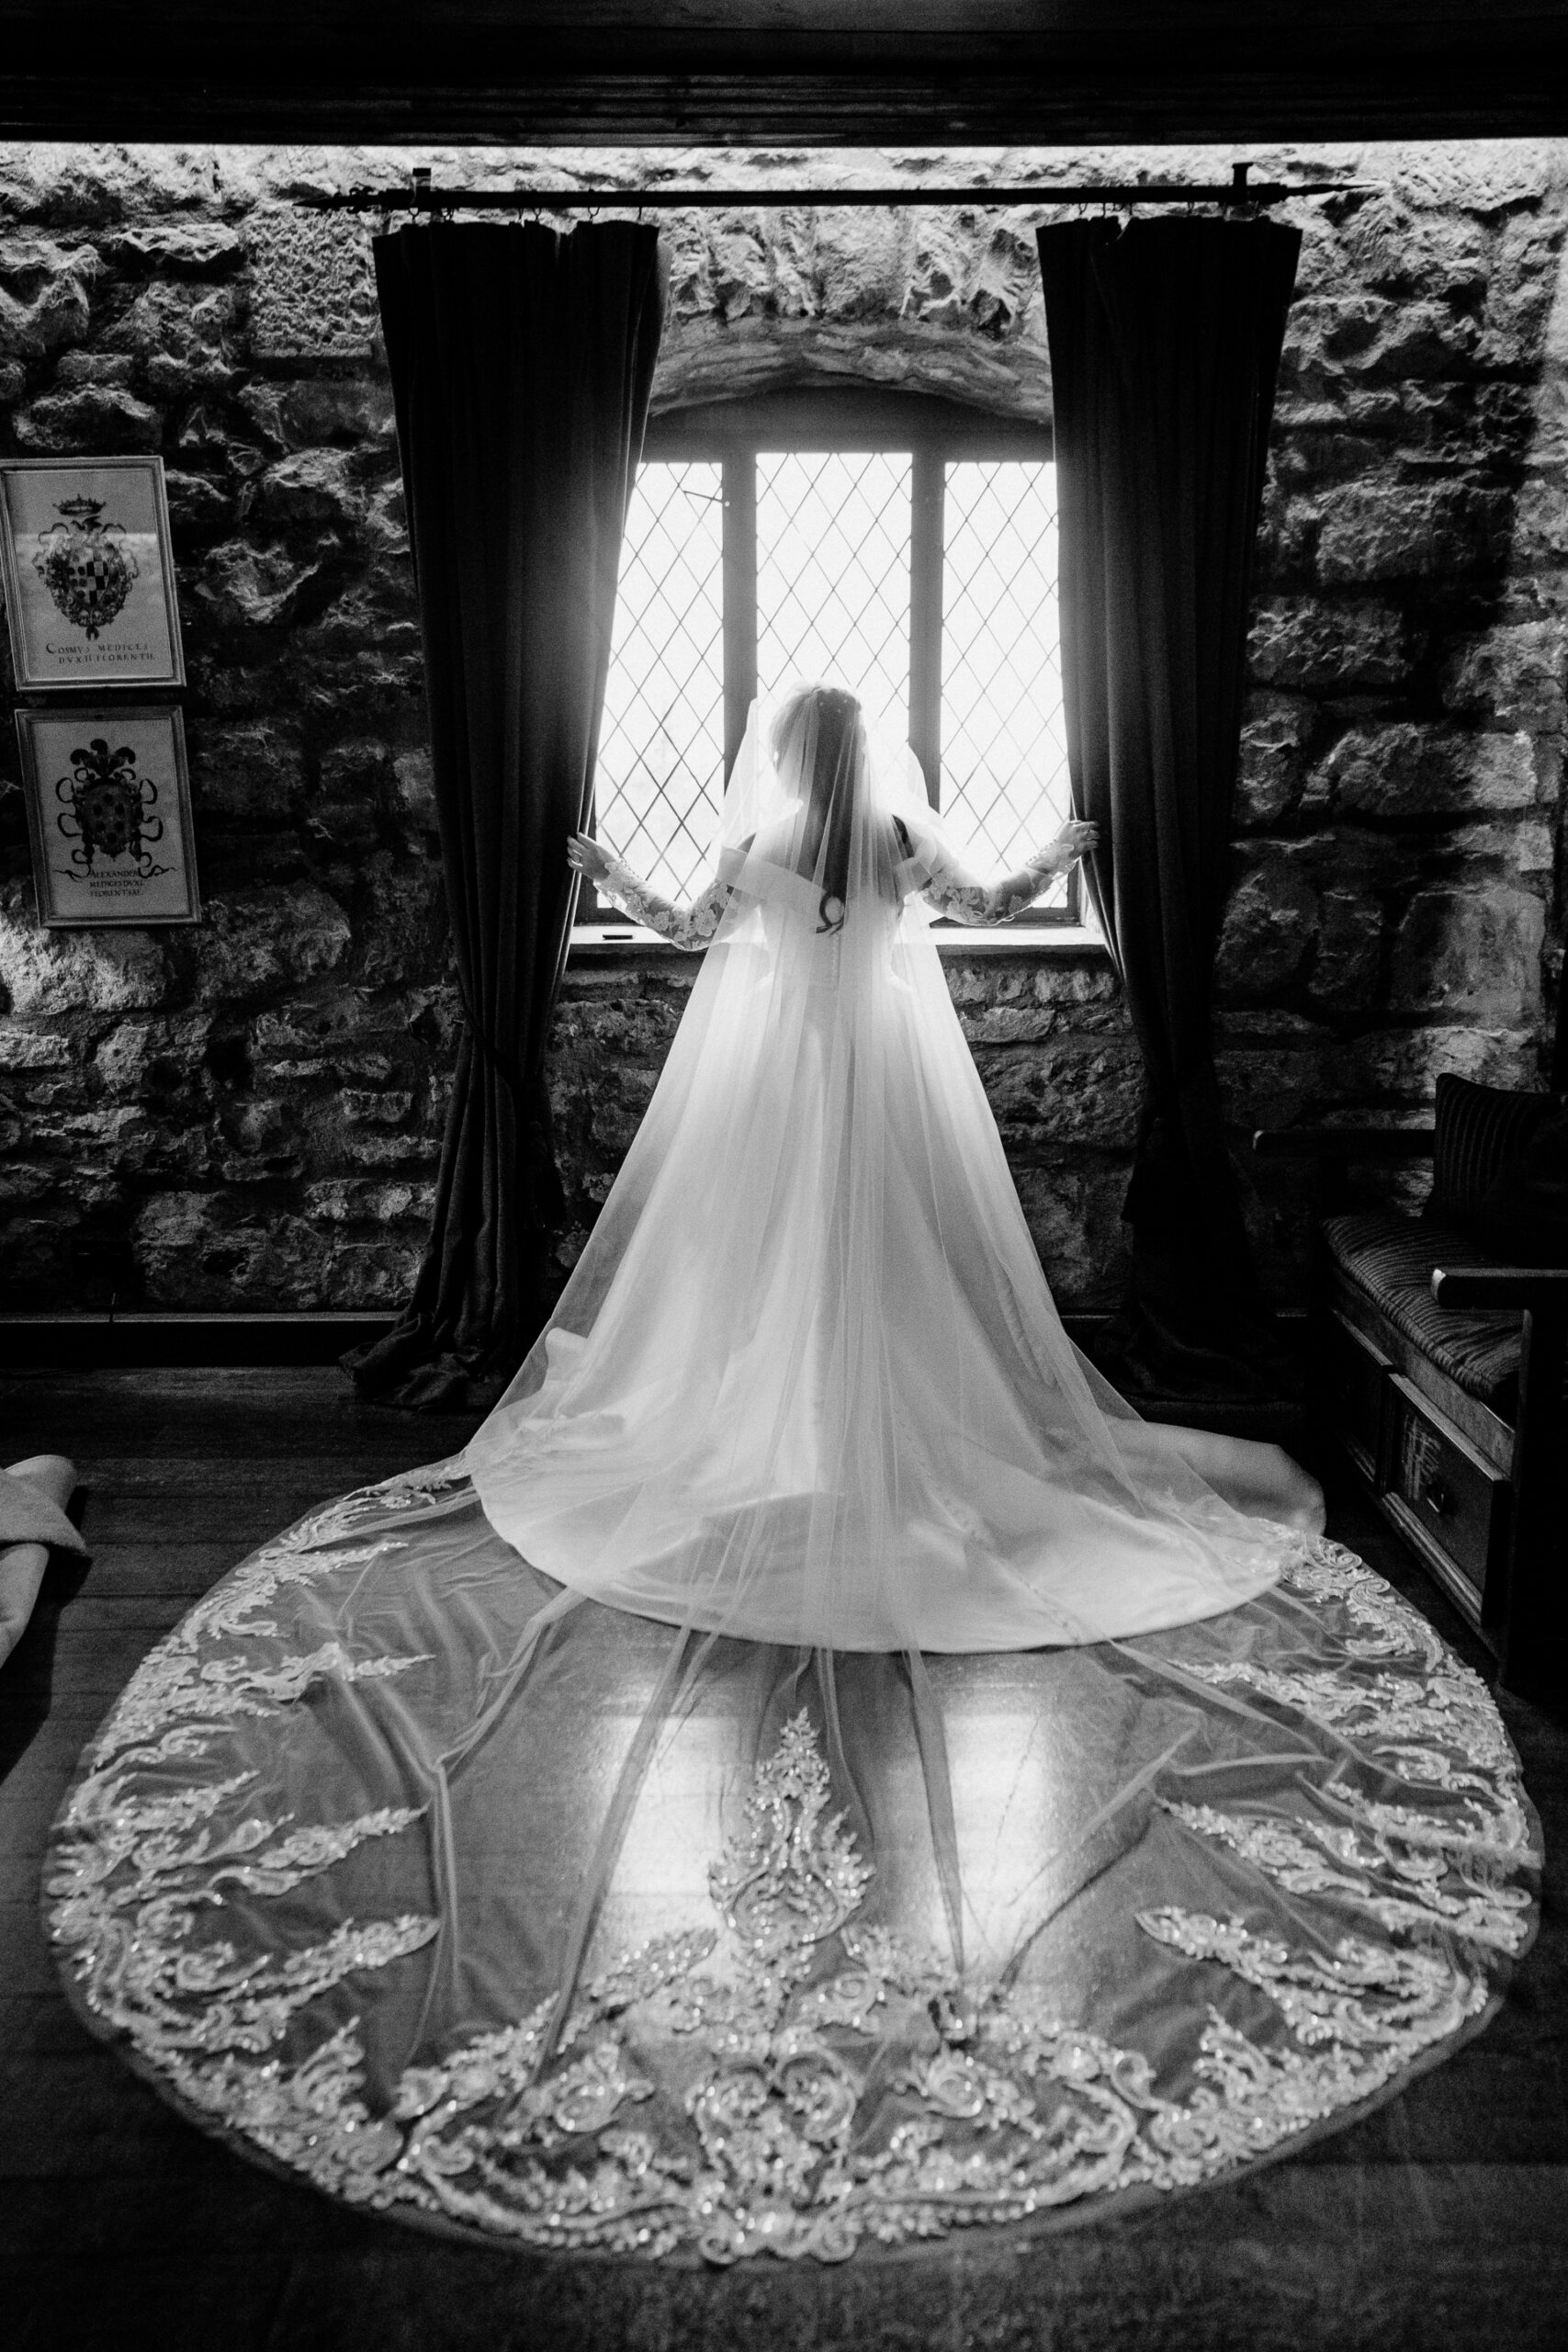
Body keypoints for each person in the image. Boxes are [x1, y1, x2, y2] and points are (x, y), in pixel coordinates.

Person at [466, 681, 1323, 1655]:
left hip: (784, 1070)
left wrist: (612, 872)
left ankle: (793, 1433)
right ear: (861, 754)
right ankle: (871, 1431)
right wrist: (1054, 856)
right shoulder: (899, 838)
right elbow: (987, 907)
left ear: (788, 758)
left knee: (772, 1253)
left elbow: (689, 929)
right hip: (883, 1066)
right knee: (885, 1245)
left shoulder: (758, 849)